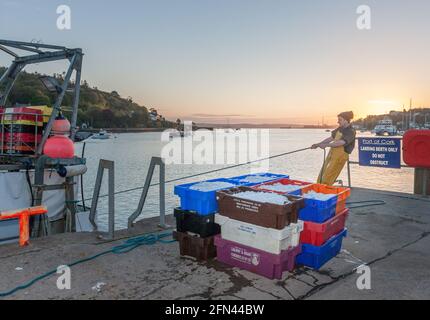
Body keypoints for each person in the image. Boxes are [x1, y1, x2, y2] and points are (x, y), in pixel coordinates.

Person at [311, 111, 356, 186]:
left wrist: (326, 145)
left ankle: (324, 191)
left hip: (340, 156)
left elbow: (342, 142)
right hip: (331, 154)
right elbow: (331, 138)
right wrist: (319, 144)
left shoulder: (351, 131)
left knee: (329, 176)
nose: (338, 121)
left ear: (346, 120)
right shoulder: (340, 128)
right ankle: (318, 188)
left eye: (340, 119)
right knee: (322, 174)